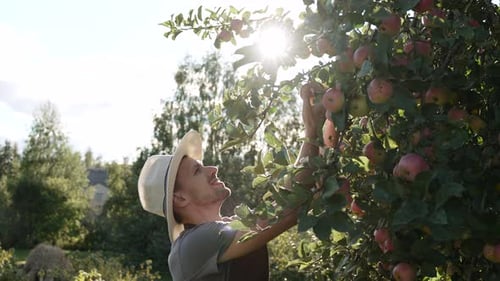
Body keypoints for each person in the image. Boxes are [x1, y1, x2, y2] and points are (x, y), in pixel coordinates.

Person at [138, 84, 325, 281]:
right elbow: (288, 208)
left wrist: (319, 127)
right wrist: (311, 131)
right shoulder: (192, 244)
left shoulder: (224, 229)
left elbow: (290, 198)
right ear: (180, 198)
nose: (213, 169)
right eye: (197, 171)